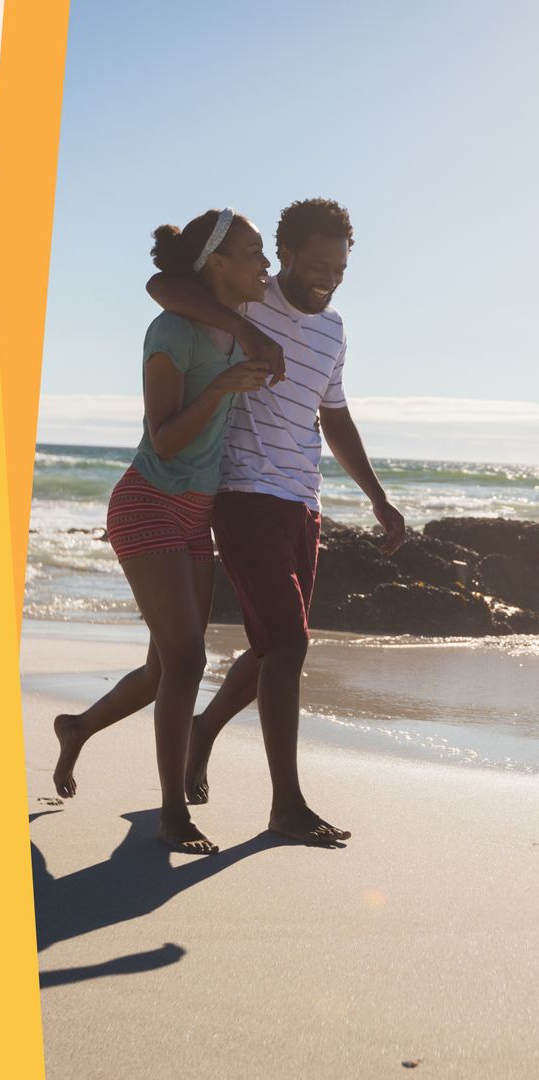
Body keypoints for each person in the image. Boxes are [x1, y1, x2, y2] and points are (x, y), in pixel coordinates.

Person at [53, 197, 406, 845]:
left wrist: (378, 497)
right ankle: (214, 810)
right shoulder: (220, 311)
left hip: (247, 507)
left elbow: (333, 413)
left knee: (207, 659)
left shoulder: (299, 321)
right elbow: (163, 290)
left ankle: (113, 730)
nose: (326, 273)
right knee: (225, 655)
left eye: (341, 264)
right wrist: (240, 349)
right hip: (195, 500)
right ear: (274, 257)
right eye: (314, 260)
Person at [65, 207, 271, 854]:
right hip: (149, 501)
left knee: (165, 668)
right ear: (217, 263)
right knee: (187, 658)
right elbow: (166, 438)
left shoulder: (240, 329)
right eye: (253, 252)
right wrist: (222, 389)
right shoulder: (173, 332)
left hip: (196, 513)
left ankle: (77, 728)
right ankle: (172, 811)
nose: (264, 265)